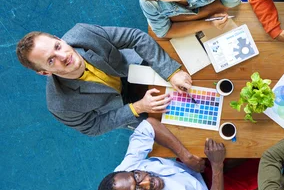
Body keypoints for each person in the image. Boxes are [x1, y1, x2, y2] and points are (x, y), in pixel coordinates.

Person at [16, 24, 189, 136]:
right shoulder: (60, 105)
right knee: (184, 131)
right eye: (51, 60)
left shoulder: (84, 33)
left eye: (58, 46)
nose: (64, 56)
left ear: (59, 39)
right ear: (45, 72)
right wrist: (137, 108)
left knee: (191, 83)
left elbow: (135, 37)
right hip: (124, 108)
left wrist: (171, 72)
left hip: (131, 68)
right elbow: (93, 127)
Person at [97, 117, 259, 190]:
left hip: (188, 163)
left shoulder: (125, 171)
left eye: (137, 176)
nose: (147, 182)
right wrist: (217, 165)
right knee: (266, 166)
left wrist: (186, 156)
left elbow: (149, 126)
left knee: (234, 127)